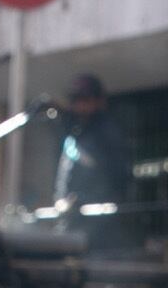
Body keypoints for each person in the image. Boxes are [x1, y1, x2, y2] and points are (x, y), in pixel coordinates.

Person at [51, 72, 132, 210]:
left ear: (99, 101)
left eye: (84, 99)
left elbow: (115, 175)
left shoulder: (107, 132)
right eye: (75, 100)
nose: (78, 105)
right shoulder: (72, 131)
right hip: (71, 212)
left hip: (98, 212)